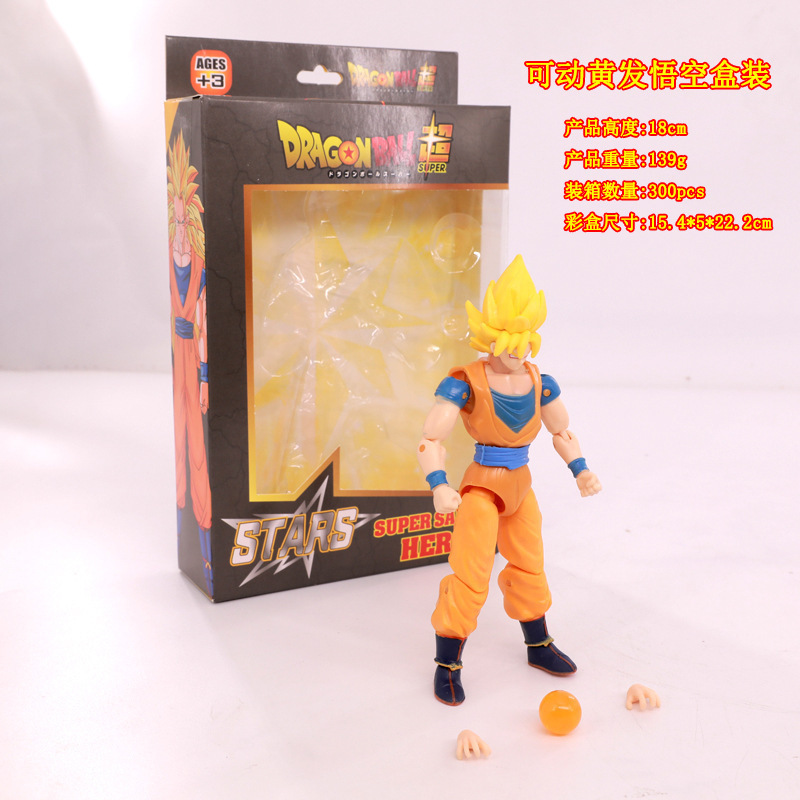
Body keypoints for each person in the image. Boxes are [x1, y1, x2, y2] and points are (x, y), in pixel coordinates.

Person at [417, 255, 601, 705]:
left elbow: (561, 432)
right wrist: (439, 484)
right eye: (509, 343)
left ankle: (538, 644)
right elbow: (430, 438)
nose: (518, 353)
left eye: (524, 342)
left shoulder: (541, 381)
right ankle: (447, 664)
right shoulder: (465, 382)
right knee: (471, 574)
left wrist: (581, 469)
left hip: (520, 485)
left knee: (530, 564)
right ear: (491, 338)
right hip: (481, 487)